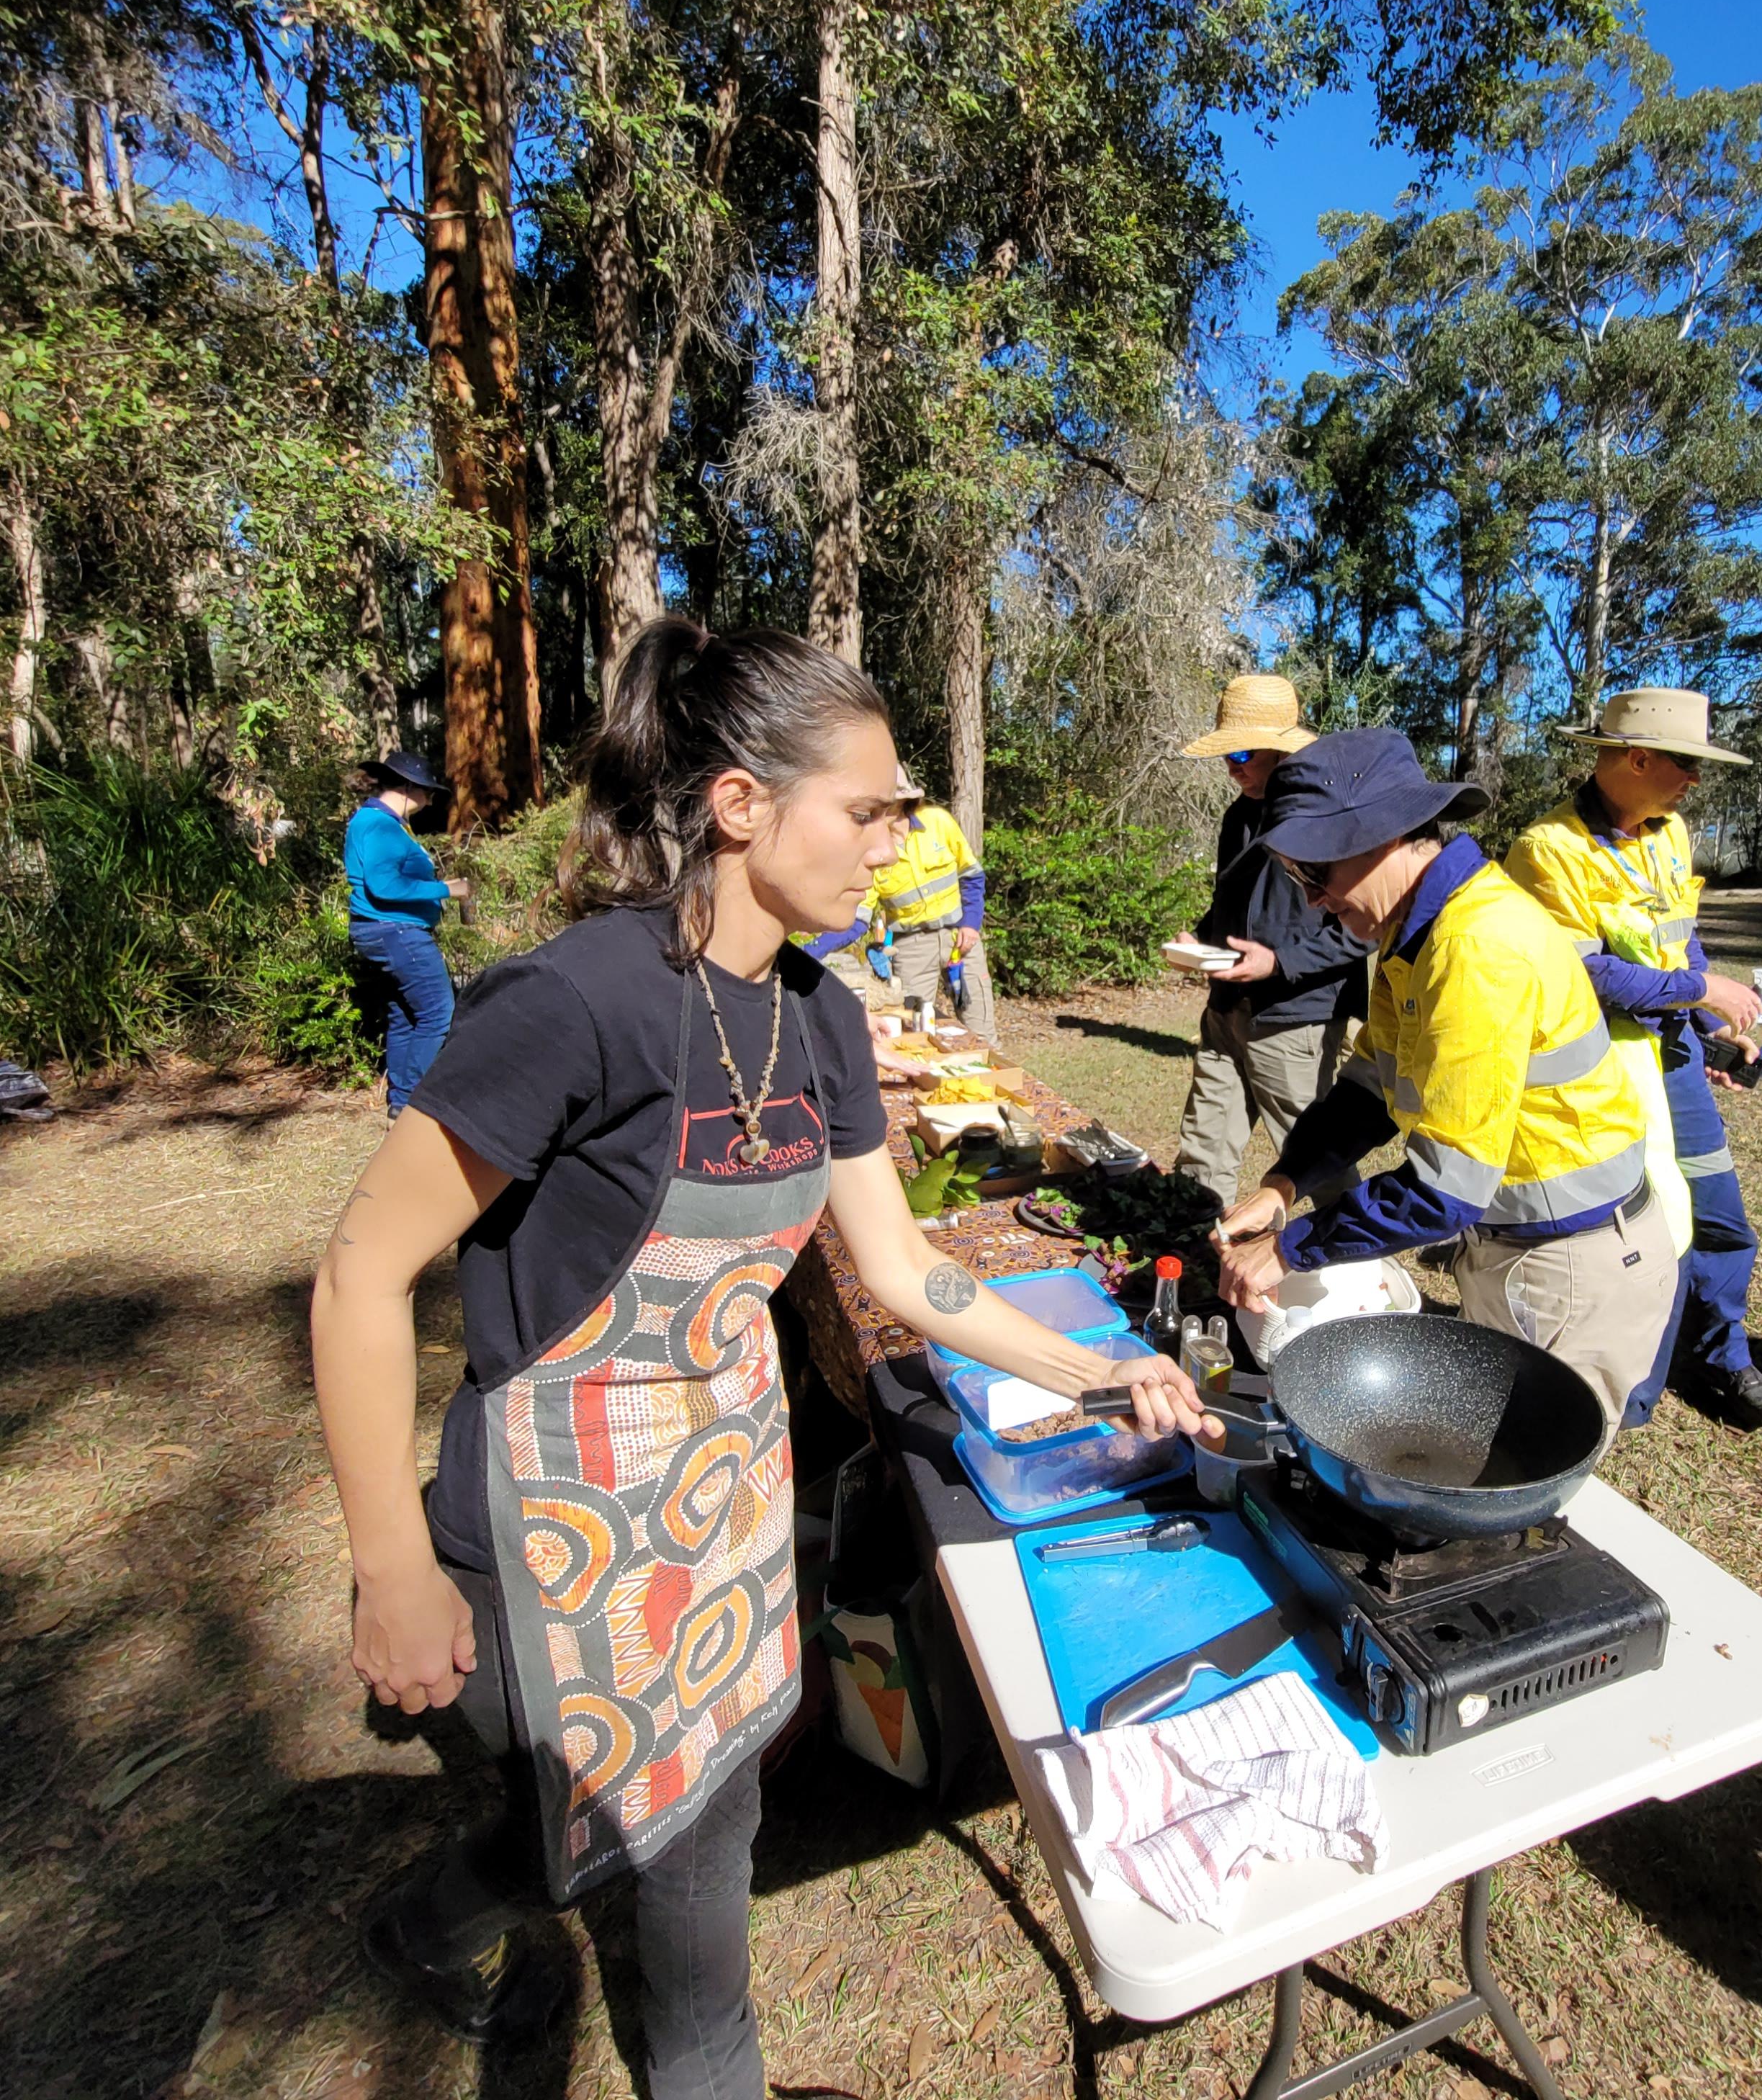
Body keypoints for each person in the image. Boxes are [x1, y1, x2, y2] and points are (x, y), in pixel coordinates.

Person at [310, 619, 1208, 2096]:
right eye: (868, 810)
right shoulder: (574, 1003)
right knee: (639, 1843)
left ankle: (463, 1944)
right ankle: (532, 1978)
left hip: (720, 1508)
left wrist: (1091, 1373)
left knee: (678, 1822)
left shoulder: (823, 1020)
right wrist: (392, 1570)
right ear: (738, 803)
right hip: (545, 1538)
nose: (893, 844)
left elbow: (904, 1272)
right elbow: (359, 1274)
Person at [1213, 728, 1680, 1437]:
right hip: (1518, 1251)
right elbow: (1368, 1086)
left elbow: (1443, 1191)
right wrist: (1285, 1182)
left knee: (1516, 1465)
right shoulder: (1416, 933)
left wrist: (1286, 1250)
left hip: (1571, 1265)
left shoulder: (1474, 946)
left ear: (1384, 837)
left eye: (1316, 874)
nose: (1313, 902)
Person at [1506, 689, 1762, 1430]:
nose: (1695, 779)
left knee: (1719, 1217)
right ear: (1636, 759)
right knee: (1641, 1233)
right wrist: (1701, 991)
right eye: (1686, 763)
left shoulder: (1670, 832)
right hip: (1603, 1070)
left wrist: (1711, 1022)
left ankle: (1725, 1358)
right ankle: (1632, 1384)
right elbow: (1583, 973)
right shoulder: (1548, 849)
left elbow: (1678, 938)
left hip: (1675, 1056)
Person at [1170, 674, 1372, 1215]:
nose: (1232, 767)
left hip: (1294, 1020)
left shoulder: (1330, 817)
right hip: (1226, 1011)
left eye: (1242, 753)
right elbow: (1232, 899)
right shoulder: (1239, 814)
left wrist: (1279, 963)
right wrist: (1201, 941)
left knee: (1315, 1160)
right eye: (1226, 754)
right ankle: (1190, 1249)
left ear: (1281, 752)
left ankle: (1361, 1257)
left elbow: (1363, 928)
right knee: (1202, 1151)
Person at [808, 765, 997, 1042]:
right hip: (912, 948)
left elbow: (972, 876)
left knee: (981, 1033)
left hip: (960, 939)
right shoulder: (872, 850)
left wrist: (971, 924)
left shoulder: (938, 822)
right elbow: (858, 919)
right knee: (914, 1032)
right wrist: (810, 951)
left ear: (902, 801)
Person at [343, 750, 469, 1117]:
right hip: (396, 933)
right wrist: (446, 889)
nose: (429, 801)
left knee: (405, 1016)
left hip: (387, 932)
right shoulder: (379, 825)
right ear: (407, 787)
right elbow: (385, 886)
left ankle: (401, 1104)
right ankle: (416, 1103)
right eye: (427, 792)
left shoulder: (382, 822)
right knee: (438, 1013)